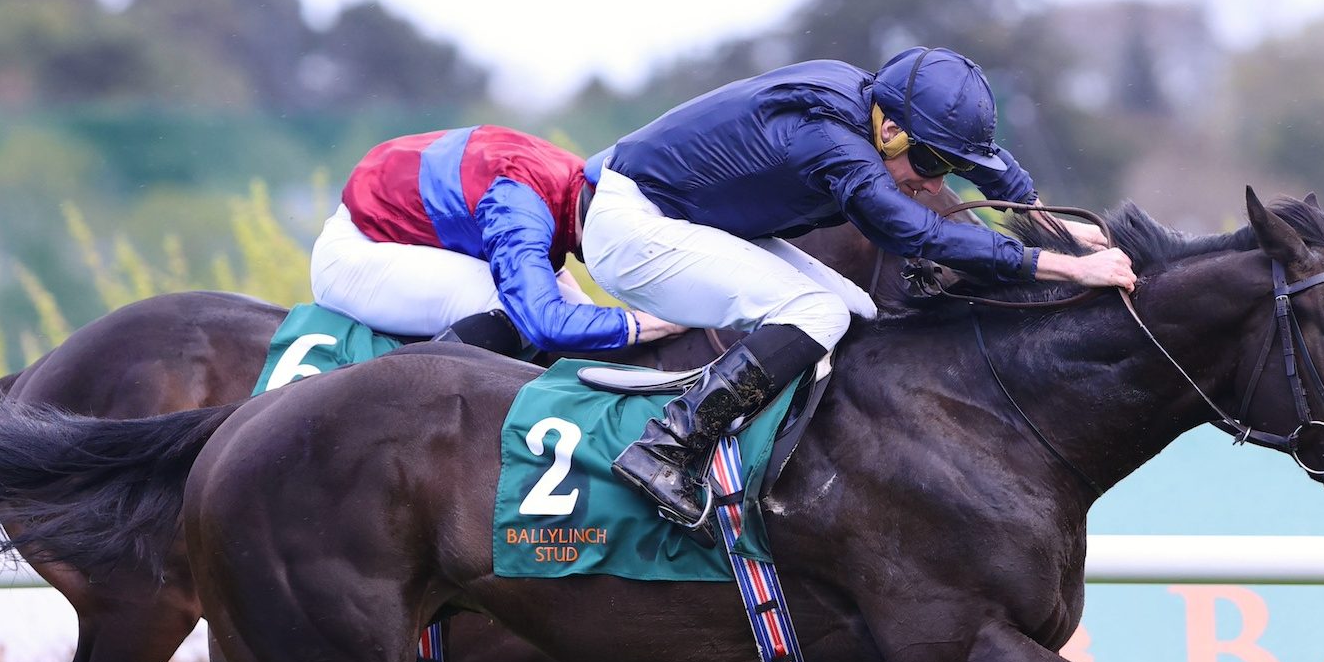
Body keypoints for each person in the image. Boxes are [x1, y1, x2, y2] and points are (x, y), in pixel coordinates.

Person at [583, 46, 1138, 531]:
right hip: (633, 229)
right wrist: (1068, 268)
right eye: (929, 162)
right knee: (817, 313)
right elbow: (918, 230)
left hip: (690, 221)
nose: (937, 183)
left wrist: (1049, 223)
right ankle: (668, 447)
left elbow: (985, 168)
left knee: (856, 312)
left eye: (949, 166)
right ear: (890, 131)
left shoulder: (877, 110)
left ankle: (775, 460)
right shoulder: (828, 140)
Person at [311, 125, 679, 356]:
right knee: (514, 318)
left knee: (576, 307)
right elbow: (545, 322)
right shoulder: (520, 205)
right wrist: (655, 323)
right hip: (355, 256)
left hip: (397, 232)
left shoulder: (576, 183)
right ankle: (394, 413)